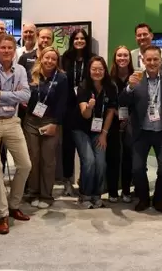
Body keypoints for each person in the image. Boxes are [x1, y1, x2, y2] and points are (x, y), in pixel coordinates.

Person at [119, 45, 162, 213]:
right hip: (141, 132)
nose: (152, 63)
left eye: (155, 59)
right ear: (143, 60)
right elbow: (122, 102)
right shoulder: (136, 78)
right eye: (149, 59)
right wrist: (129, 87)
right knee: (137, 169)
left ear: (161, 61)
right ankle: (144, 199)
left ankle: (159, 199)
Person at [0, 35, 32, 235]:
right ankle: (2, 214)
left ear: (14, 49)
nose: (7, 51)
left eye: (10, 47)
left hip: (12, 121)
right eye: (3, 47)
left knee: (25, 165)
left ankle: (14, 205)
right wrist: (12, 96)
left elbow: (26, 95)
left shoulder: (20, 70)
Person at [23, 46, 69, 209]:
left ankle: (46, 195)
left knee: (48, 160)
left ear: (57, 61)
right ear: (41, 58)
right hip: (31, 121)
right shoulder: (31, 74)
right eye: (47, 58)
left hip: (50, 121)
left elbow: (63, 103)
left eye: (53, 59)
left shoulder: (62, 78)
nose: (49, 61)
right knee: (33, 158)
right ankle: (33, 193)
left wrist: (55, 123)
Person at [73, 56, 116, 208]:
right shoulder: (83, 86)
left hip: (99, 130)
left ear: (105, 70)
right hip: (81, 129)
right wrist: (89, 107)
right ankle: (85, 195)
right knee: (89, 161)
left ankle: (97, 194)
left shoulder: (110, 87)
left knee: (101, 163)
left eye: (100, 69)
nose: (97, 72)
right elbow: (85, 114)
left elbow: (110, 112)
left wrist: (104, 133)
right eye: (94, 69)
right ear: (89, 70)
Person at [60, 28, 93, 196]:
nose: (79, 41)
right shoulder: (65, 58)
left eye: (82, 38)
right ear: (72, 41)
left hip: (86, 106)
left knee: (85, 146)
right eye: (76, 38)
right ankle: (67, 180)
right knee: (68, 146)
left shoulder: (92, 58)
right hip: (68, 107)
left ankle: (84, 180)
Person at [106, 46, 134, 203]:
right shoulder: (109, 79)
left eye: (125, 55)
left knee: (128, 157)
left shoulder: (136, 77)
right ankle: (112, 192)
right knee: (113, 157)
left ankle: (126, 190)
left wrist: (128, 118)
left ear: (129, 58)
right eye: (119, 55)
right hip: (113, 121)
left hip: (131, 122)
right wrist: (117, 114)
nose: (122, 58)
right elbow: (107, 101)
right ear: (115, 58)